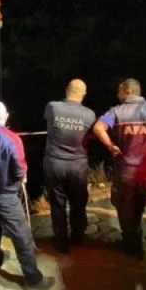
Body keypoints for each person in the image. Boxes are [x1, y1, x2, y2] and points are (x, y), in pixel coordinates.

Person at [0, 101, 55, 290]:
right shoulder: (11, 137)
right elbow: (20, 166)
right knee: (22, 235)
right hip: (6, 196)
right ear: (6, 116)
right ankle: (33, 279)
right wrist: (21, 178)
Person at [93, 79, 146, 258]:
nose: (117, 94)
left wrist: (111, 146)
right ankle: (136, 237)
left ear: (127, 92)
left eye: (119, 91)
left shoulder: (116, 112)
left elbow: (98, 128)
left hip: (126, 169)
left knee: (123, 205)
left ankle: (131, 245)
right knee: (139, 204)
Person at [43, 79, 96, 252]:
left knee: (58, 204)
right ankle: (77, 237)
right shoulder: (89, 115)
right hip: (78, 166)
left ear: (67, 90)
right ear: (84, 94)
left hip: (55, 164)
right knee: (78, 203)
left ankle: (61, 241)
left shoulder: (52, 107)